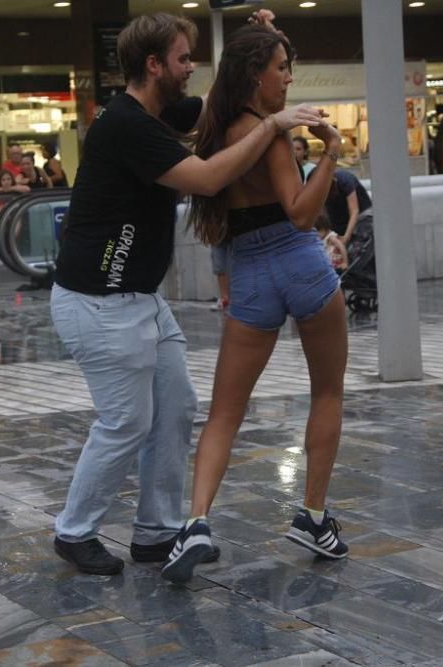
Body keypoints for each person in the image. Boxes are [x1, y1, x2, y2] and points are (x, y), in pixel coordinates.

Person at [49, 10, 327, 575]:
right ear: (153, 65)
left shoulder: (157, 112)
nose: (190, 68)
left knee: (175, 407)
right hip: (98, 301)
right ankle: (74, 530)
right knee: (126, 422)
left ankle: (155, 531)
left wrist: (258, 42)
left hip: (139, 300)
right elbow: (206, 178)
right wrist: (273, 127)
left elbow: (226, 96)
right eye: (181, 59)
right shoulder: (128, 125)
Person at [161, 24, 347, 583]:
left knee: (224, 411)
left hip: (249, 273)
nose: (289, 78)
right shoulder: (271, 135)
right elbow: (299, 211)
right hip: (300, 261)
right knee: (328, 391)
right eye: (282, 67)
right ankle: (313, 516)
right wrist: (331, 157)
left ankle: (195, 523)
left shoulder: (218, 132)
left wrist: (263, 25)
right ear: (254, 74)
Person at [321, 168, 372, 251]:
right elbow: (322, 213)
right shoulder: (318, 186)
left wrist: (346, 238)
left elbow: (354, 211)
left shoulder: (345, 180)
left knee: (358, 241)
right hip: (338, 216)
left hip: (361, 213)